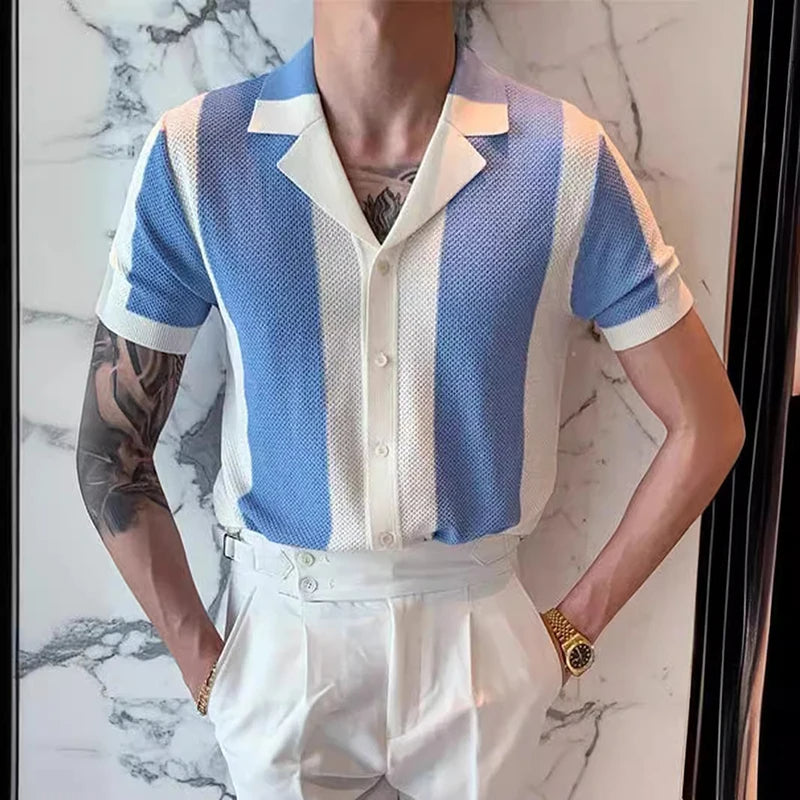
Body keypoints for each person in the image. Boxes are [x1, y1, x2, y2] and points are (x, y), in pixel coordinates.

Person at [75, 2, 746, 798]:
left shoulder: (565, 160)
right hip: (284, 633)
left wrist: (569, 634)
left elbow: (707, 425)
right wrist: (208, 672)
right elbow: (110, 449)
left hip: (478, 632)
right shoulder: (197, 155)